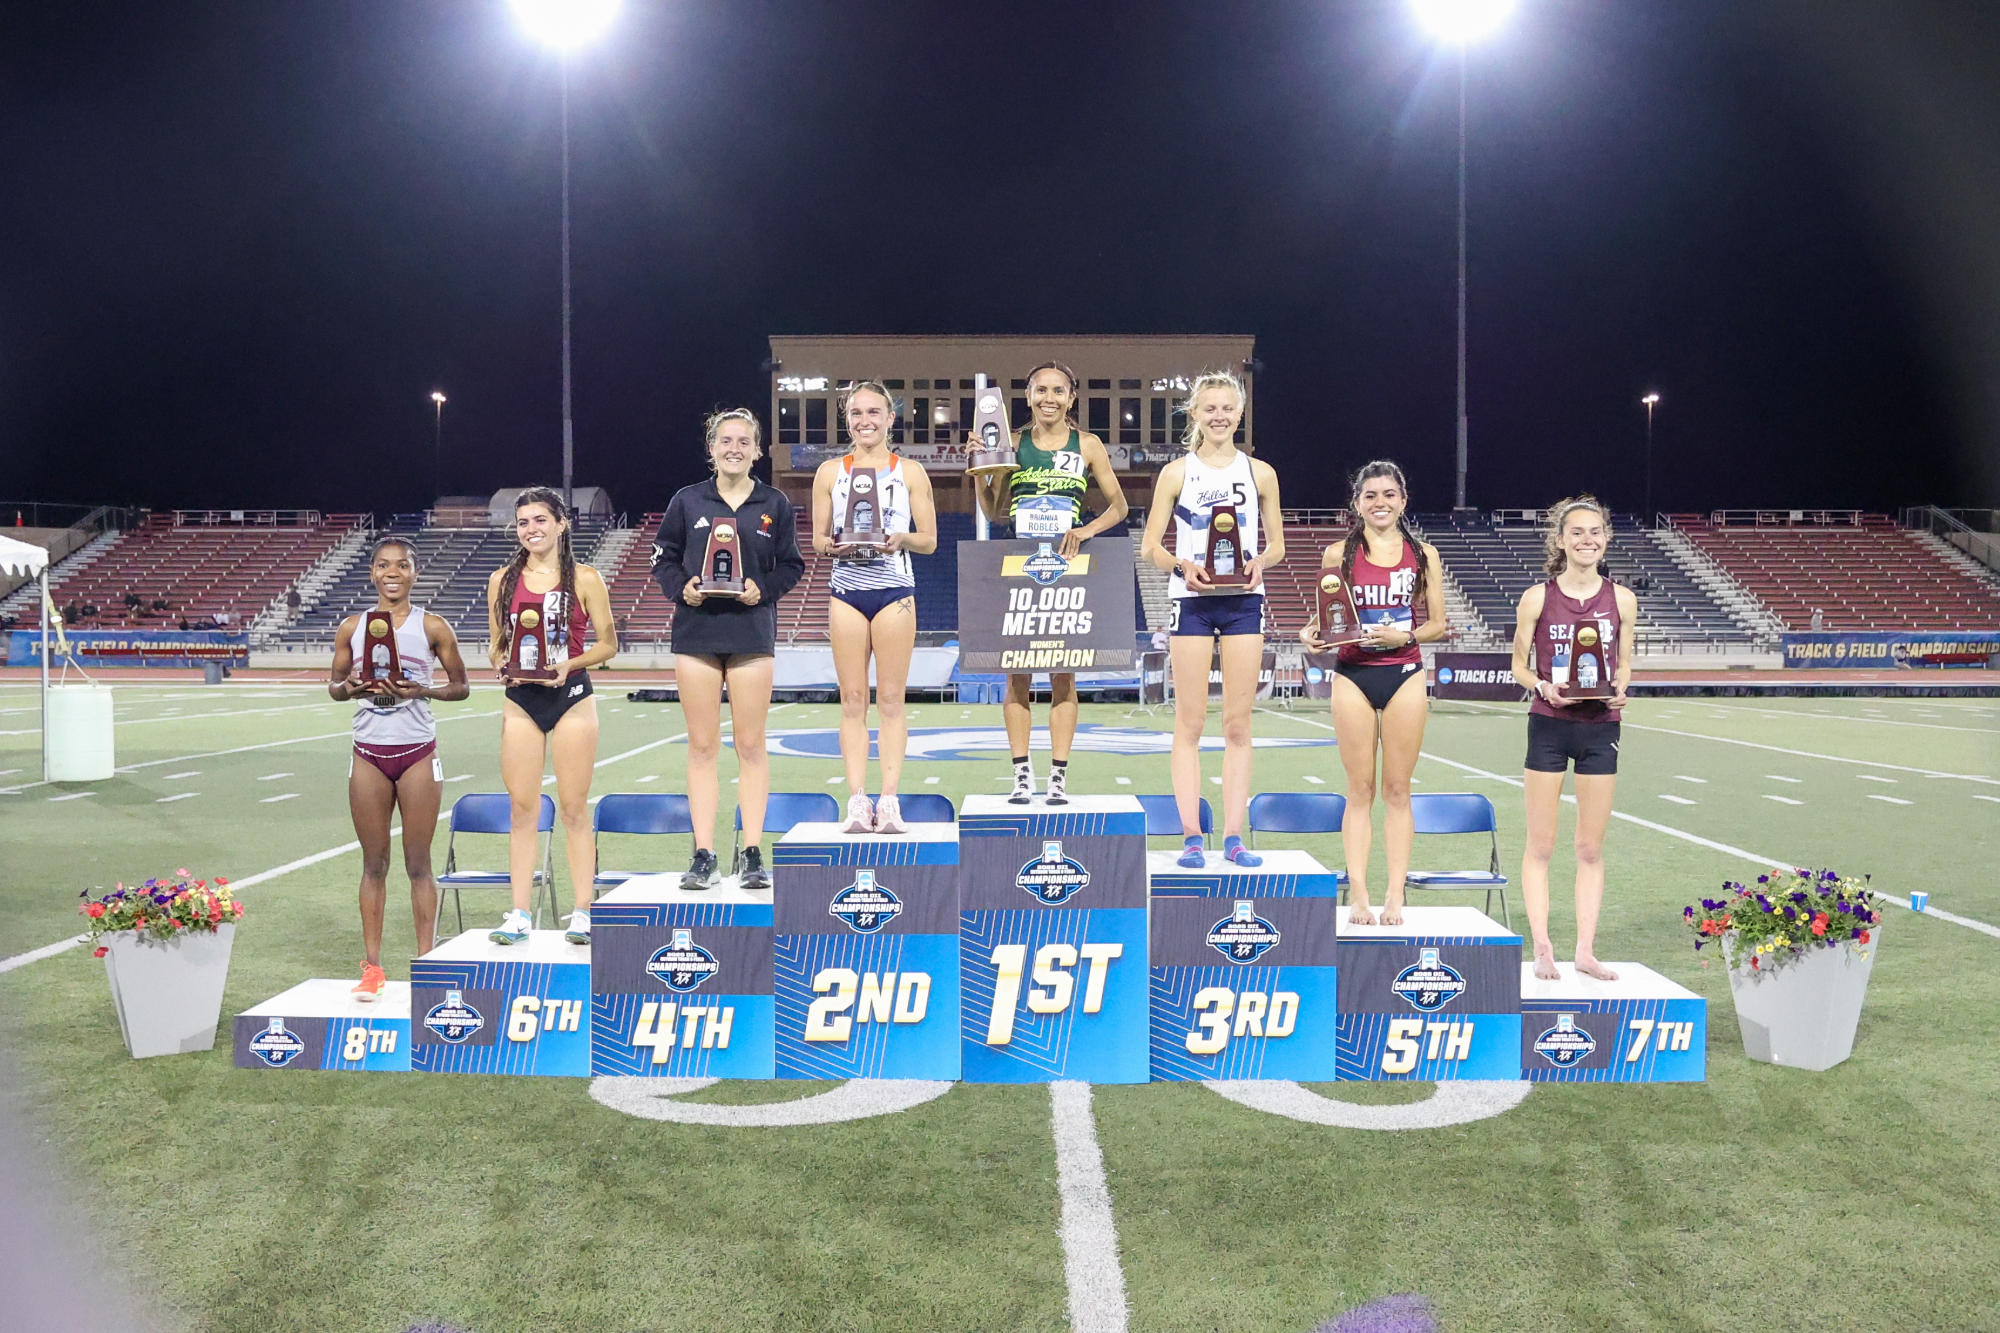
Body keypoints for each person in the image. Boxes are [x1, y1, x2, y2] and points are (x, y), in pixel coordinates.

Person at [651, 408, 805, 890]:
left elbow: (793, 566)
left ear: (757, 450)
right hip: (696, 633)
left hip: (751, 634)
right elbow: (664, 559)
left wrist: (765, 588)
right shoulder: (687, 500)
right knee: (701, 746)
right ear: (712, 448)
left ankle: (753, 853)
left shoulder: (773, 502)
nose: (734, 448)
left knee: (751, 745)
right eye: (725, 440)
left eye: (744, 441)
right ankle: (703, 854)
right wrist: (684, 588)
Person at [1139, 369, 1284, 869]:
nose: (1219, 416)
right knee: (1191, 722)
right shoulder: (1177, 473)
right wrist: (1183, 564)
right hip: (1193, 600)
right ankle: (1191, 838)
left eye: (1227, 408)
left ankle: (1234, 837)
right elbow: (1150, 547)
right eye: (1210, 408)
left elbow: (1279, 545)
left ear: (1240, 413)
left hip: (1244, 599)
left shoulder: (1260, 472)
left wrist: (1260, 562)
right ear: (1195, 414)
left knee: (1238, 723)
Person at [971, 361, 1130, 804]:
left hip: (1067, 566)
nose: (1049, 398)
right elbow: (992, 511)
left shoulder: (1089, 445)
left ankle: (1058, 776)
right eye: (1041, 390)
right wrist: (981, 467)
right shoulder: (1012, 442)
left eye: (1058, 391)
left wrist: (1084, 531)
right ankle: (1022, 775)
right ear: (1027, 396)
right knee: (1016, 677)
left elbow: (1118, 508)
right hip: (1018, 564)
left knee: (1065, 676)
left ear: (1071, 398)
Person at [1302, 462, 1449, 926]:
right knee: (1359, 789)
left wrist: (1402, 639)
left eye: (1389, 494)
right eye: (1370, 495)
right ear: (1358, 502)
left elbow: (1438, 623)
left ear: (1403, 501)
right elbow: (1327, 619)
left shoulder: (1423, 554)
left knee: (1397, 790)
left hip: (1404, 672)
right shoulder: (1337, 553)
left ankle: (1395, 896)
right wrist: (1312, 633)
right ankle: (1360, 896)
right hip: (1352, 673)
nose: (1380, 502)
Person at [327, 538, 469, 999]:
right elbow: (334, 687)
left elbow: (462, 687)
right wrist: (349, 687)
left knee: (418, 863)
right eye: (384, 565)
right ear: (372, 572)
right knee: (373, 864)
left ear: (414, 572)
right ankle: (372, 968)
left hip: (417, 751)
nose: (393, 572)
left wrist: (421, 692)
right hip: (369, 750)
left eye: (402, 565)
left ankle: (426, 965)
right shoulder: (353, 626)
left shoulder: (432, 625)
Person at [484, 487, 619, 945]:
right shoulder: (502, 579)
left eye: (540, 520)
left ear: (561, 524)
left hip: (572, 698)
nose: (531, 529)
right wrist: (499, 659)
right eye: (523, 522)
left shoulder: (585, 578)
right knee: (522, 810)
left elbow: (608, 644)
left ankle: (583, 911)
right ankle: (519, 912)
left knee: (574, 809)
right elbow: (497, 642)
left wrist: (569, 665)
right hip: (521, 700)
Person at [1510, 495, 1637, 982]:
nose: (1587, 540)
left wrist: (1622, 687)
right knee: (1541, 843)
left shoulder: (1622, 600)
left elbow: (1623, 663)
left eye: (1595, 532)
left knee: (1589, 847)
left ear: (1606, 539)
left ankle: (1585, 950)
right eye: (1577, 533)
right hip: (1549, 724)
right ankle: (1543, 946)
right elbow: (1519, 665)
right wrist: (1542, 686)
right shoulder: (1537, 597)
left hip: (1600, 727)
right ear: (1560, 541)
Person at [811, 380, 938, 834]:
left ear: (890, 418)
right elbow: (818, 540)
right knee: (851, 700)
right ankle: (857, 801)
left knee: (889, 699)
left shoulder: (910, 472)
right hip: (846, 589)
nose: (865, 420)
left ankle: (888, 800)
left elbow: (930, 540)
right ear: (848, 420)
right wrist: (835, 547)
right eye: (857, 413)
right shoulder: (830, 472)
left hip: (893, 590)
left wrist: (901, 539)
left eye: (874, 412)